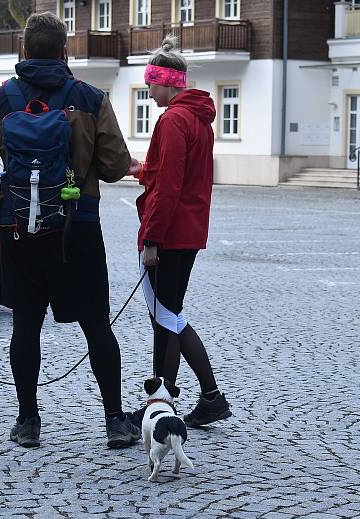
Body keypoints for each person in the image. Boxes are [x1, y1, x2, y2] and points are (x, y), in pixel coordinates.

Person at [0, 12, 142, 449]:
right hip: (77, 226)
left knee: (25, 326)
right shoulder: (90, 98)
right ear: (65, 51)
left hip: (20, 228)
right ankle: (116, 421)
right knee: (97, 325)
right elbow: (118, 166)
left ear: (23, 50)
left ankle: (28, 422)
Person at [131, 35, 231, 428]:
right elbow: (175, 175)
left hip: (171, 234)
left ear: (167, 82)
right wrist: (140, 169)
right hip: (188, 230)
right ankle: (198, 398)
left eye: (151, 83)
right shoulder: (196, 118)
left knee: (167, 317)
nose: (148, 90)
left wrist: (152, 238)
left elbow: (170, 187)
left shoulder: (172, 119)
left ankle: (179, 400)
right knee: (168, 316)